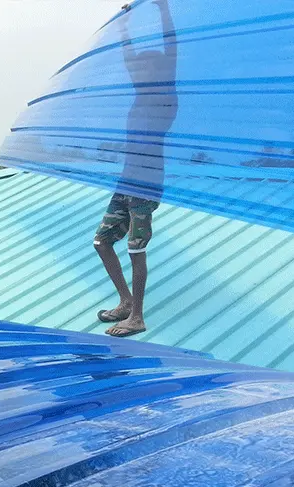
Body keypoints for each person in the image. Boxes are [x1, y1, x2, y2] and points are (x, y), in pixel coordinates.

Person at [94, 0, 177, 337]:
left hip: (146, 183)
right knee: (102, 241)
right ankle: (125, 301)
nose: (138, 72)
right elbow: (130, 60)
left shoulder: (164, 97)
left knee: (136, 248)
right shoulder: (139, 97)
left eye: (145, 69)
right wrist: (125, 26)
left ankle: (138, 317)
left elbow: (171, 48)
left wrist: (162, 8)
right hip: (125, 181)